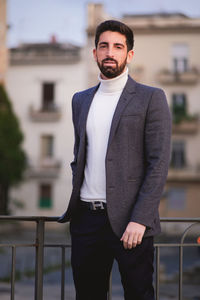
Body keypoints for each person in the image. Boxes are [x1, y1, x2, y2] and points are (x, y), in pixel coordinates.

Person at [58, 20, 171, 300]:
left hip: (131, 223)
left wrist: (140, 219)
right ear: (94, 53)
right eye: (104, 46)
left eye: (118, 47)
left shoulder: (151, 98)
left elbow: (158, 164)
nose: (110, 52)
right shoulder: (80, 100)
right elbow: (79, 155)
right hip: (86, 220)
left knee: (139, 295)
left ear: (129, 54)